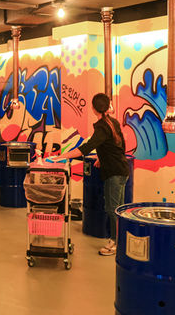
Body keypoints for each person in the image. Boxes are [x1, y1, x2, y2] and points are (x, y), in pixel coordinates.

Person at [51, 93, 129, 256]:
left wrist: (62, 156)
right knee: (119, 209)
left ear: (93, 108)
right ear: (107, 107)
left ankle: (115, 243)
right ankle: (121, 240)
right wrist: (101, 157)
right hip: (122, 169)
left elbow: (86, 148)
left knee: (112, 209)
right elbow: (119, 145)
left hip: (114, 173)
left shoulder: (102, 126)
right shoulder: (112, 122)